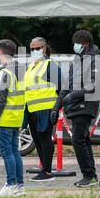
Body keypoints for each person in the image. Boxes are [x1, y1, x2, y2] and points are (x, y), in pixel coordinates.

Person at [51, 30, 100, 187]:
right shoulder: (78, 59)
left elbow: (93, 84)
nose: (75, 46)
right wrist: (56, 106)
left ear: (85, 44)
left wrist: (74, 96)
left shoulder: (95, 59)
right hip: (74, 105)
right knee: (83, 140)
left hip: (86, 104)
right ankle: (91, 175)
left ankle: (89, 175)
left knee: (78, 139)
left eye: (77, 43)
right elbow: (68, 84)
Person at [0, 39, 26, 197]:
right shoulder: (19, 71)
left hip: (4, 120)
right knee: (15, 153)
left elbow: (0, 100)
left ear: (0, 52)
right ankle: (19, 186)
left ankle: (11, 185)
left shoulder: (4, 73)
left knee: (7, 154)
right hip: (15, 119)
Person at [24, 37, 62, 182]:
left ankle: (47, 171)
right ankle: (44, 169)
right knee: (38, 140)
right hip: (32, 108)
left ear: (44, 48)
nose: (34, 51)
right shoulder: (32, 65)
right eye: (32, 49)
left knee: (45, 139)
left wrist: (56, 107)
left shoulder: (49, 65)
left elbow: (61, 86)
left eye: (37, 48)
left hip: (46, 108)